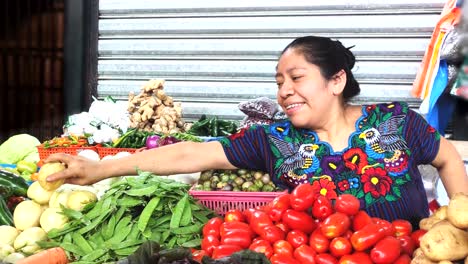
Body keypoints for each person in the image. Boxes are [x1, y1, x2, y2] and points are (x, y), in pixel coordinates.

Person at [45, 35, 468, 227]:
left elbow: (447, 156)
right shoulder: (275, 140)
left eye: (296, 78)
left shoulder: (394, 121)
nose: (284, 91)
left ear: (336, 81)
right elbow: (191, 155)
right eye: (279, 82)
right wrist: (99, 169)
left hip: (413, 256)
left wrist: (460, 221)